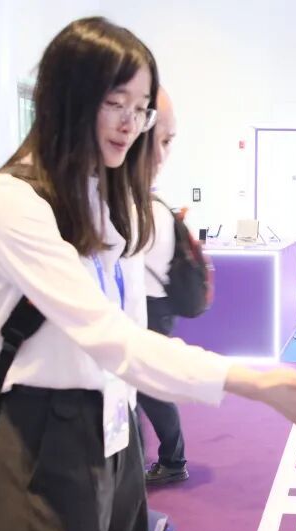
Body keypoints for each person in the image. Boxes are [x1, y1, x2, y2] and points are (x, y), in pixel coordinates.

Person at [0, 17, 296, 531]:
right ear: (66, 97)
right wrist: (254, 383)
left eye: (141, 109)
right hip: (41, 434)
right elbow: (109, 336)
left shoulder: (112, 201)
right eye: (115, 103)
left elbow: (132, 335)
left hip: (116, 423)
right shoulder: (12, 202)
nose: (132, 124)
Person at [137, 87, 190, 486]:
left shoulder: (143, 211)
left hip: (147, 309)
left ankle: (173, 460)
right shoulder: (159, 209)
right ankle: (168, 458)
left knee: (149, 389)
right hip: (157, 307)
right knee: (145, 387)